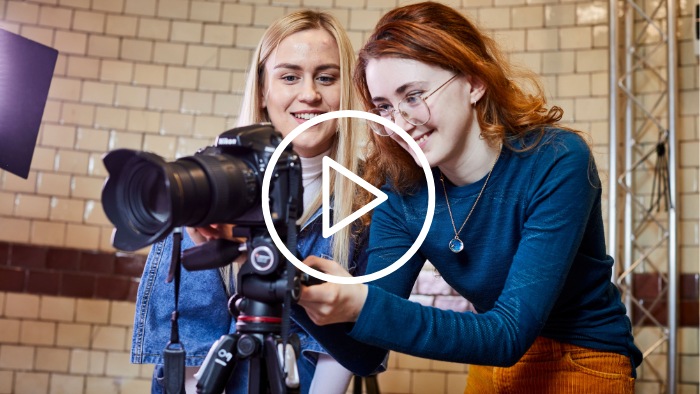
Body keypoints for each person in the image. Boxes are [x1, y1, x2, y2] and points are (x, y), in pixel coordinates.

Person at [291, 3, 644, 393]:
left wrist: (361, 305)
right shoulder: (403, 189)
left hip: (582, 358)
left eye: (414, 95)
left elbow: (508, 333)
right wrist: (288, 288)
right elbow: (366, 355)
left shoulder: (556, 160)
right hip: (490, 359)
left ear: (474, 82)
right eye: (384, 107)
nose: (399, 124)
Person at [130, 10, 379, 394]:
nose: (310, 93)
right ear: (263, 90)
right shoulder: (206, 182)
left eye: (326, 77)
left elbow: (346, 350)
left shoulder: (367, 195)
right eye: (290, 76)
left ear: (346, 91)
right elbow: (192, 343)